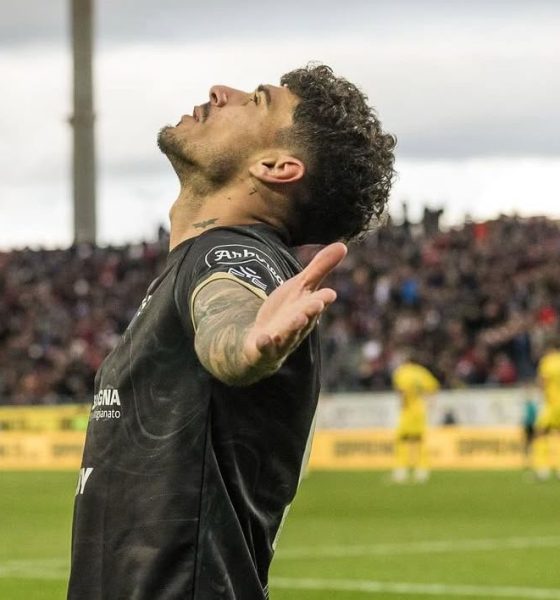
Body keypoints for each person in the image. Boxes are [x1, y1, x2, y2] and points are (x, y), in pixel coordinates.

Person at [67, 64, 395, 599]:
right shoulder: (199, 262)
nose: (221, 91)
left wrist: (246, 345)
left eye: (257, 100)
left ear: (276, 167)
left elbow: (228, 313)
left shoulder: (228, 252)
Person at [391, 355, 439, 483]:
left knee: (402, 439)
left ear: (406, 361)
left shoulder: (402, 372)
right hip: (420, 410)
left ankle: (401, 469)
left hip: (408, 410)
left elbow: (401, 391)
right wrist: (430, 404)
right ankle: (422, 470)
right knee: (419, 439)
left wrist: (402, 404)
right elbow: (433, 387)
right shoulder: (422, 372)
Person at [533, 335, 560, 480]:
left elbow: (542, 382)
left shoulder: (547, 361)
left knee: (540, 433)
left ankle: (542, 469)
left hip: (552, 404)